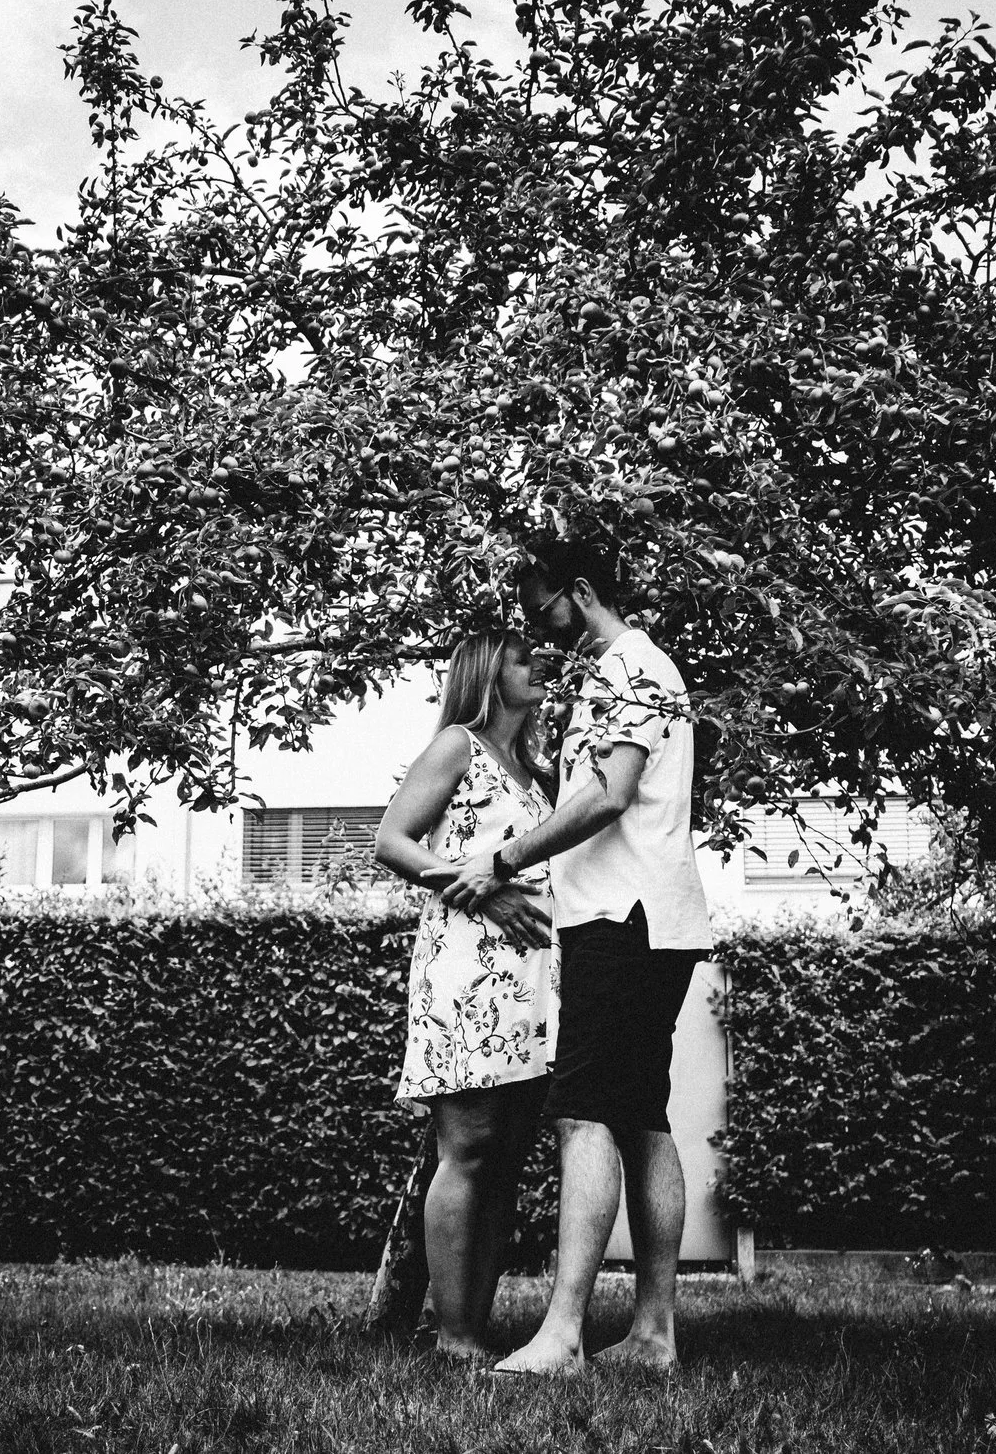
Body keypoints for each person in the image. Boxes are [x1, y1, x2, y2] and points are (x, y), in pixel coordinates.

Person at [435, 535, 710, 1376]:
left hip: (621, 919)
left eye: (542, 611)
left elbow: (610, 794)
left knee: (581, 1113)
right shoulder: (631, 670)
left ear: (581, 591)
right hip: (651, 918)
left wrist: (505, 856)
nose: (540, 632)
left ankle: (560, 1336)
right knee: (641, 1115)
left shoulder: (631, 665)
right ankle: (654, 1332)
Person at [373, 629, 560, 1363]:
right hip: (467, 968)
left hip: (530, 982)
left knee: (507, 1156)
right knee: (468, 1147)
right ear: (488, 672)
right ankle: (451, 1334)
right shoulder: (459, 744)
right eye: (523, 656)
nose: (538, 662)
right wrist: (478, 895)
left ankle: (472, 1326)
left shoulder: (536, 771)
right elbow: (391, 839)